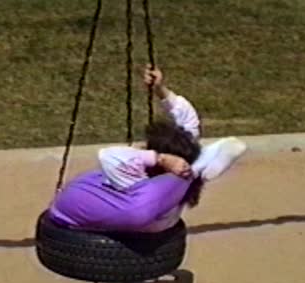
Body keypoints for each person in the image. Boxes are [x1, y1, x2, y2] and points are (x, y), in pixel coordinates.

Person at [47, 65, 247, 233]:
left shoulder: (137, 183)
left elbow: (109, 156)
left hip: (149, 225)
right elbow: (187, 117)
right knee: (196, 167)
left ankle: (203, 169)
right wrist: (161, 90)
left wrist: (159, 158)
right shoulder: (187, 155)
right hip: (170, 207)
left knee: (106, 192)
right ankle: (202, 169)